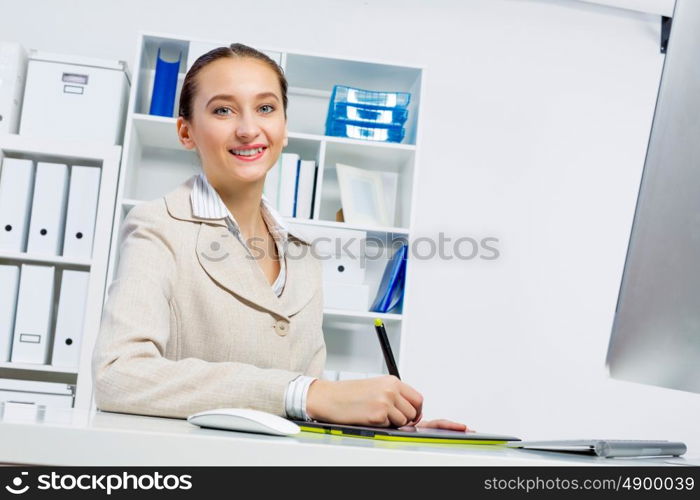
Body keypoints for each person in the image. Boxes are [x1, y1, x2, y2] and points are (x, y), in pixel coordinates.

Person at [92, 43, 468, 432]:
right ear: (186, 132)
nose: (249, 128)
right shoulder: (158, 226)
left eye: (266, 108)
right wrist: (305, 394)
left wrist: (387, 430)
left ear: (284, 129)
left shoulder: (303, 257)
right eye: (223, 110)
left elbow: (304, 412)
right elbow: (118, 376)